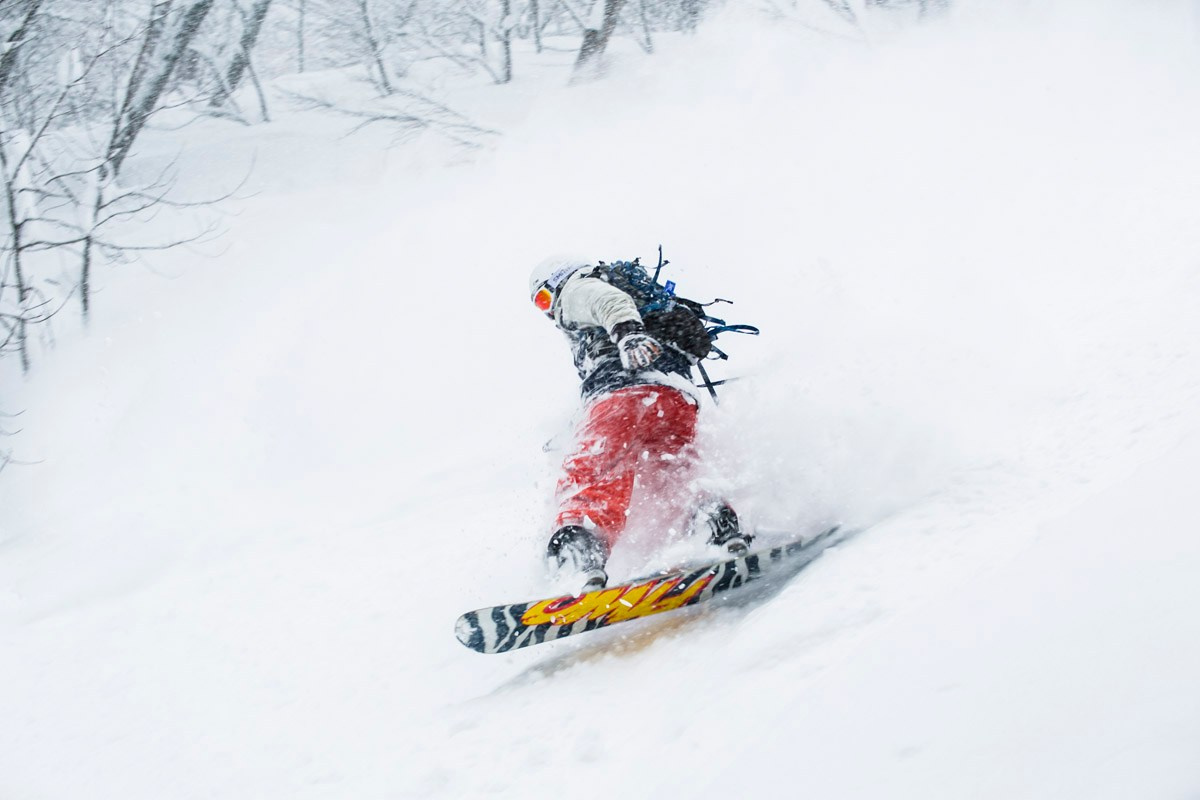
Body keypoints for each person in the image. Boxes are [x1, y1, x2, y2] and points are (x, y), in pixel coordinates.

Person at [528, 255, 748, 593]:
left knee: (590, 475)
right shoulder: (640, 300)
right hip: (672, 398)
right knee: (672, 476)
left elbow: (608, 301)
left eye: (544, 299)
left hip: (620, 395)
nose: (549, 312)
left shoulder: (576, 289)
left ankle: (579, 562)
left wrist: (627, 334)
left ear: (556, 282)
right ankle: (714, 530)